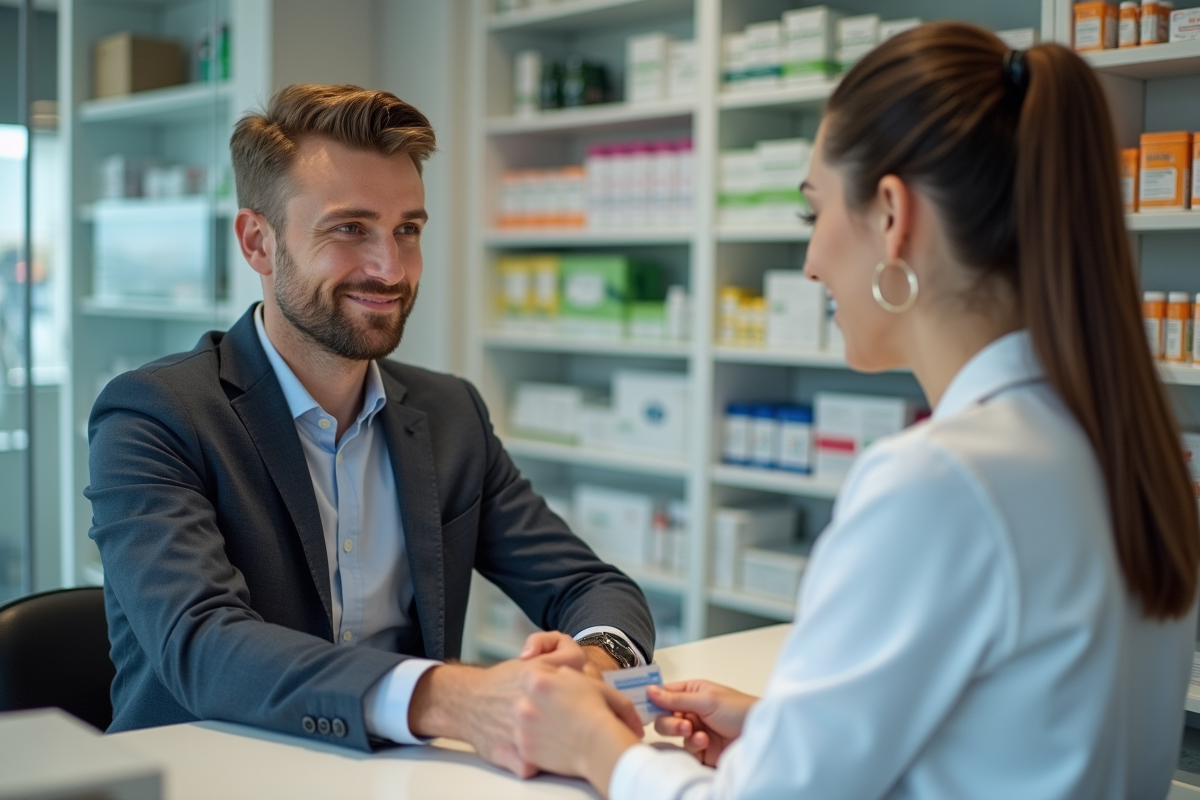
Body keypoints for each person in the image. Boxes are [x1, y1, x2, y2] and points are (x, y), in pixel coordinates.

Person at [508, 23, 1200, 800]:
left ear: (893, 216)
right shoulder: (1122, 447)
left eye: (814, 213)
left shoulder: (940, 480)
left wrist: (599, 745)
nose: (808, 263)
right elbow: (1016, 734)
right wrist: (786, 733)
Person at [85, 84, 654, 777]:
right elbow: (204, 646)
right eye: (349, 229)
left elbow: (589, 584)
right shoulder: (155, 414)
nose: (391, 268)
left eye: (407, 229)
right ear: (258, 242)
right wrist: (452, 698)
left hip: (395, 778)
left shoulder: (450, 415)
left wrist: (591, 663)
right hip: (208, 778)